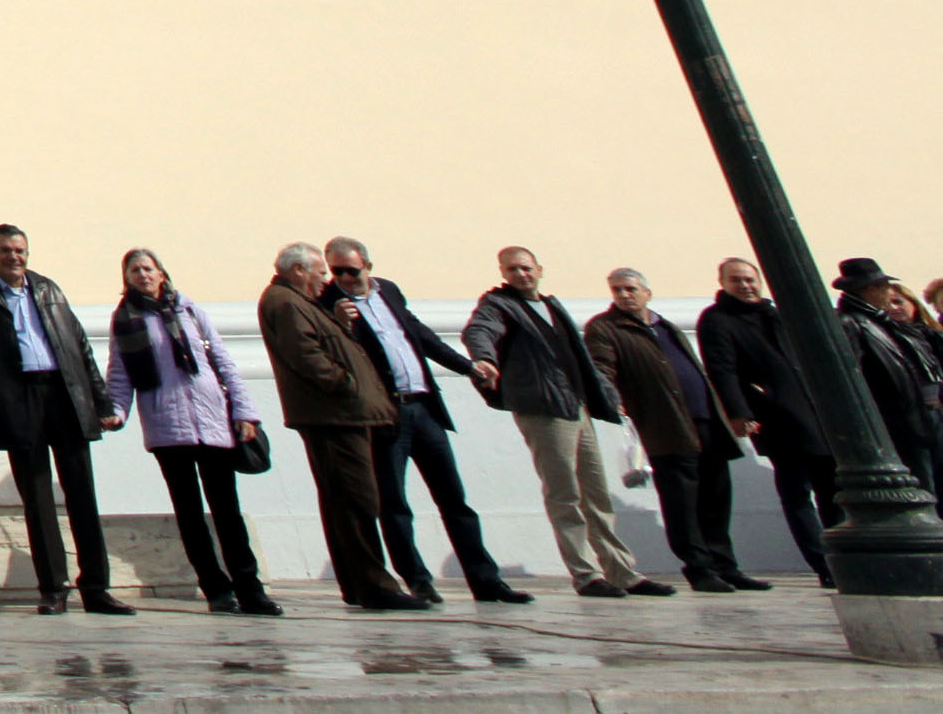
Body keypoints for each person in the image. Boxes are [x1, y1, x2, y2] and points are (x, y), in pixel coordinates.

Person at [325, 236, 530, 606]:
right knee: (394, 505)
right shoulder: (329, 303)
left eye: (351, 271)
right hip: (385, 415)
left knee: (455, 500)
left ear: (368, 266)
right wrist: (339, 323)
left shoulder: (387, 291)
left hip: (424, 408)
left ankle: (486, 581)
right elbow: (336, 353)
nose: (344, 277)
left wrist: (468, 367)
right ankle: (418, 581)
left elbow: (419, 335)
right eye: (336, 271)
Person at [0, 223, 127, 614]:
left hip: (63, 395)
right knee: (38, 500)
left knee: (81, 496)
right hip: (18, 399)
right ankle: (53, 588)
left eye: (20, 249)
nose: (14, 256)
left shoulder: (48, 289)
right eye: (6, 250)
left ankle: (96, 587)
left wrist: (102, 402)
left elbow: (80, 348)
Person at [463, 245, 669, 598]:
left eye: (526, 268)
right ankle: (586, 574)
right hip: (543, 409)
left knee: (596, 493)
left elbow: (578, 358)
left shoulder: (552, 305)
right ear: (503, 273)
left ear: (539, 269)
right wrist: (484, 358)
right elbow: (478, 332)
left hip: (576, 406)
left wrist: (607, 396)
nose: (521, 274)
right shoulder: (498, 306)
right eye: (512, 269)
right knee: (565, 494)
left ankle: (622, 572)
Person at [103, 248, 276, 615]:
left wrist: (245, 412)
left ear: (161, 273)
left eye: (148, 269)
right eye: (134, 270)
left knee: (228, 511)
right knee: (190, 514)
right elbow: (120, 375)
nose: (142, 275)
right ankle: (216, 589)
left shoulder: (190, 311)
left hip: (212, 422)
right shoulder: (125, 320)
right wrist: (116, 411)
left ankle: (251, 589)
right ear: (127, 278)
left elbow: (223, 363)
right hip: (168, 427)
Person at [260, 241, 422, 610]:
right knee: (356, 502)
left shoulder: (298, 302)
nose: (325, 281)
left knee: (347, 503)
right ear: (298, 270)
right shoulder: (285, 302)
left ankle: (359, 583)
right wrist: (346, 383)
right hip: (333, 415)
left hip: (338, 414)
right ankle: (375, 585)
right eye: (320, 273)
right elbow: (305, 354)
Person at [591, 267, 761, 592]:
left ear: (646, 292)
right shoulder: (606, 328)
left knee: (716, 497)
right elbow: (602, 367)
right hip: (665, 425)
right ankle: (699, 569)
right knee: (682, 503)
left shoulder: (663, 324)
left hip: (705, 420)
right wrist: (612, 399)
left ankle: (726, 566)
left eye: (630, 289)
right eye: (617, 290)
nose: (624, 295)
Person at [701, 257, 833, 580]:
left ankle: (845, 557)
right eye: (736, 280)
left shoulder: (775, 313)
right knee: (796, 491)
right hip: (775, 417)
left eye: (749, 279)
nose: (745, 285)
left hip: (813, 413)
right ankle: (824, 564)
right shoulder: (716, 320)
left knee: (832, 489)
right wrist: (740, 412)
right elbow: (722, 370)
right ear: (723, 284)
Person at [836, 258, 943, 501]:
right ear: (870, 290)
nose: (889, 295)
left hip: (926, 416)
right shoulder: (853, 323)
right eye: (885, 288)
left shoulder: (882, 322)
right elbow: (853, 378)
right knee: (924, 489)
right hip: (901, 422)